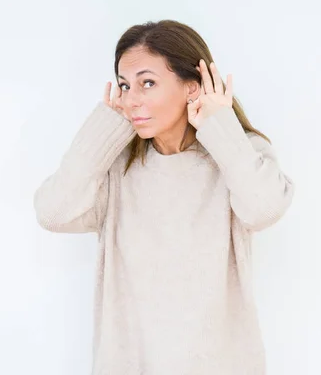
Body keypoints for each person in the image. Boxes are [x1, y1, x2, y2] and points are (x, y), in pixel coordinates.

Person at [33, 19, 295, 375]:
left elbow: (263, 209)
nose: (131, 99)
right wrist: (105, 129)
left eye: (148, 83)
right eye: (125, 86)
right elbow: (53, 213)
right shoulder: (115, 166)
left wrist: (220, 124)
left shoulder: (239, 155)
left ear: (192, 87)